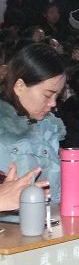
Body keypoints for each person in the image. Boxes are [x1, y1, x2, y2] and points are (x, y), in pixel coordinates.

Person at [0, 43, 66, 202]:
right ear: (20, 86)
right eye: (47, 95)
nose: (53, 103)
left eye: (57, 96)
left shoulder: (48, 128)